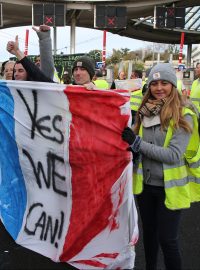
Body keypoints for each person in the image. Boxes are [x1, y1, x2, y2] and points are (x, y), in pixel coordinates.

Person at [122, 63, 200, 270]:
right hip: (146, 188)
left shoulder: (185, 115)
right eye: (154, 83)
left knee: (168, 240)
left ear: (173, 86)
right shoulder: (144, 112)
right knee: (149, 237)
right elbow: (134, 143)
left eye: (164, 83)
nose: (158, 88)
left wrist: (137, 144)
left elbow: (174, 155)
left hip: (170, 189)